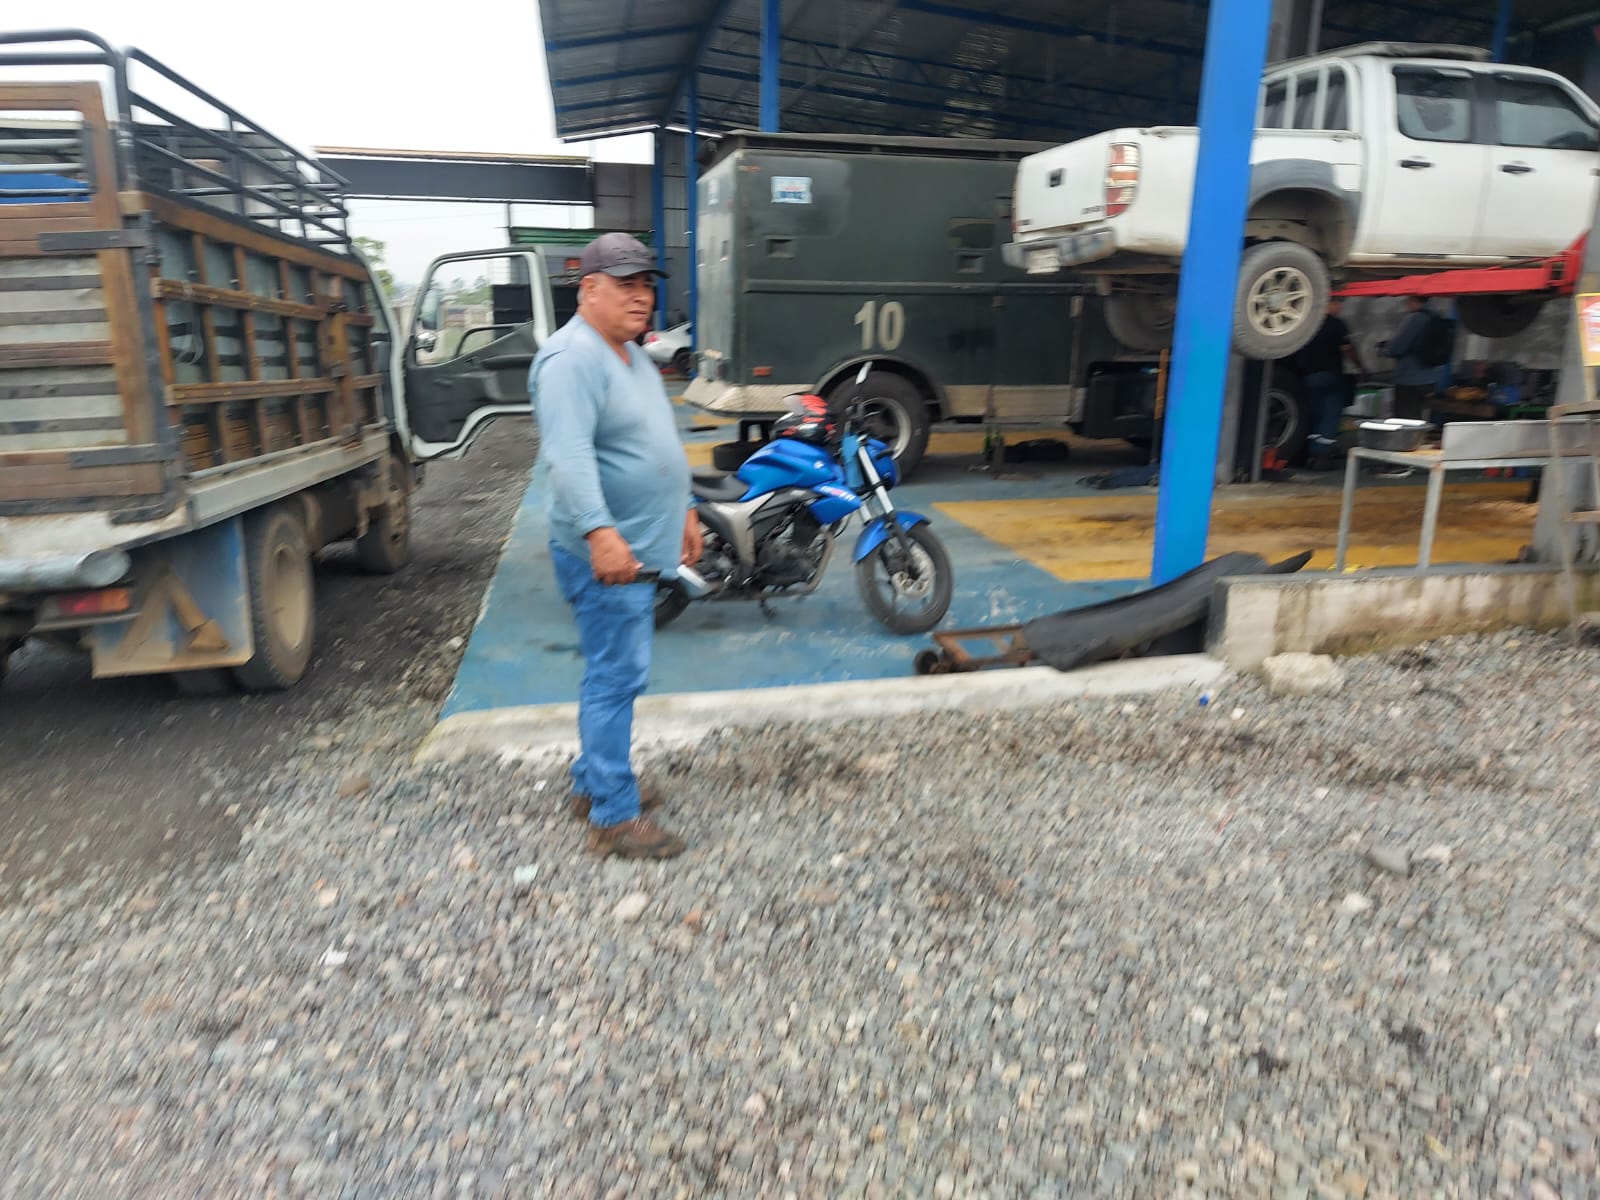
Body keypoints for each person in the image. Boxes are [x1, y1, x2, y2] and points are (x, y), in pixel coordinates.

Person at [528, 232, 701, 860]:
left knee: (615, 672)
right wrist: (601, 534)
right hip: (609, 558)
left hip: (641, 550)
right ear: (589, 290)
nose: (641, 296)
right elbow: (568, 459)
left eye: (647, 284)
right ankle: (613, 816)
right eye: (626, 284)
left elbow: (655, 439)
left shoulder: (631, 355)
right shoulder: (570, 360)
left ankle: (591, 783)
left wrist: (685, 507)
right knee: (616, 677)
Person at [1294, 296, 1362, 469]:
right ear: (1330, 304)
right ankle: (1322, 456)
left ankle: (1309, 454)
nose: (1340, 308)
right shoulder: (1335, 324)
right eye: (1338, 304)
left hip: (1307, 377)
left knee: (1313, 416)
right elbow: (1347, 349)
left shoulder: (1306, 323)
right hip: (1330, 376)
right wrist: (1361, 367)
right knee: (1330, 416)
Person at [1379, 296, 1439, 422]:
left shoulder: (1415, 318)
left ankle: (1411, 436)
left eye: (1407, 301)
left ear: (1413, 301)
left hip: (1409, 379)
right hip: (1430, 378)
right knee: (1422, 417)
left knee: (1406, 420)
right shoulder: (1435, 317)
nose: (1406, 304)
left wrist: (1384, 350)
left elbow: (1396, 348)